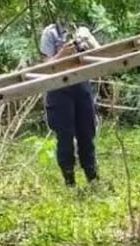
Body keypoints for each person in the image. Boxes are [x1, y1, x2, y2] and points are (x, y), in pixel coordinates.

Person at [39, 19, 99, 187]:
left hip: (81, 85)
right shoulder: (49, 33)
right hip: (59, 90)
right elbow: (44, 67)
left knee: (87, 133)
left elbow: (98, 54)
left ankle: (92, 178)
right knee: (65, 137)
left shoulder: (80, 30)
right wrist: (62, 55)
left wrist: (87, 42)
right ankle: (69, 181)